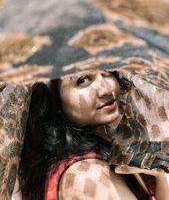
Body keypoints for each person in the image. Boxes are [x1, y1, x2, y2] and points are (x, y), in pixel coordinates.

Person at [18, 69, 156, 200]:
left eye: (106, 71)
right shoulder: (88, 176)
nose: (106, 89)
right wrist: (166, 179)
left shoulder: (86, 157)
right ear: (54, 100)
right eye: (82, 80)